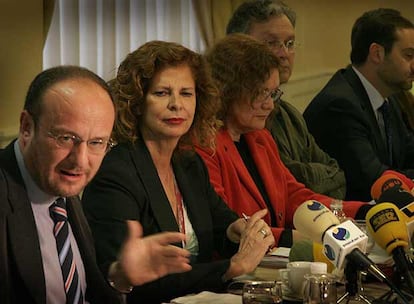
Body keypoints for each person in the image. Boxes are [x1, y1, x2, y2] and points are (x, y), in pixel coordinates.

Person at [81, 41, 275, 304]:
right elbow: (128, 281)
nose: (176, 104)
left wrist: (238, 230)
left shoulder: (188, 162)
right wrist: (232, 267)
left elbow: (220, 224)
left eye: (186, 93)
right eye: (162, 93)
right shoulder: (115, 174)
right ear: (138, 102)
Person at [0, 65, 193, 304]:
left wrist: (120, 278)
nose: (80, 160)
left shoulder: (62, 188)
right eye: (66, 138)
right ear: (27, 127)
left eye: (96, 143)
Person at [195, 33, 369, 249]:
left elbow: (293, 196)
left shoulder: (260, 138)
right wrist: (293, 238)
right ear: (228, 91)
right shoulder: (204, 144)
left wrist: (364, 212)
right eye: (261, 94)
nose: (270, 105)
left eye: (273, 93)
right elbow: (226, 225)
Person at [226, 0, 346, 199]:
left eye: (289, 44)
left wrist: (305, 174)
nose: (284, 54)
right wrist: (312, 174)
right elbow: (280, 184)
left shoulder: (290, 113)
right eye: (271, 43)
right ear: (237, 46)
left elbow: (338, 174)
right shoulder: (239, 117)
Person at [304, 8, 414, 201]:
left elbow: (407, 152)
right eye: (408, 55)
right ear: (377, 53)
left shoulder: (389, 95)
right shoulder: (339, 105)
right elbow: (375, 180)